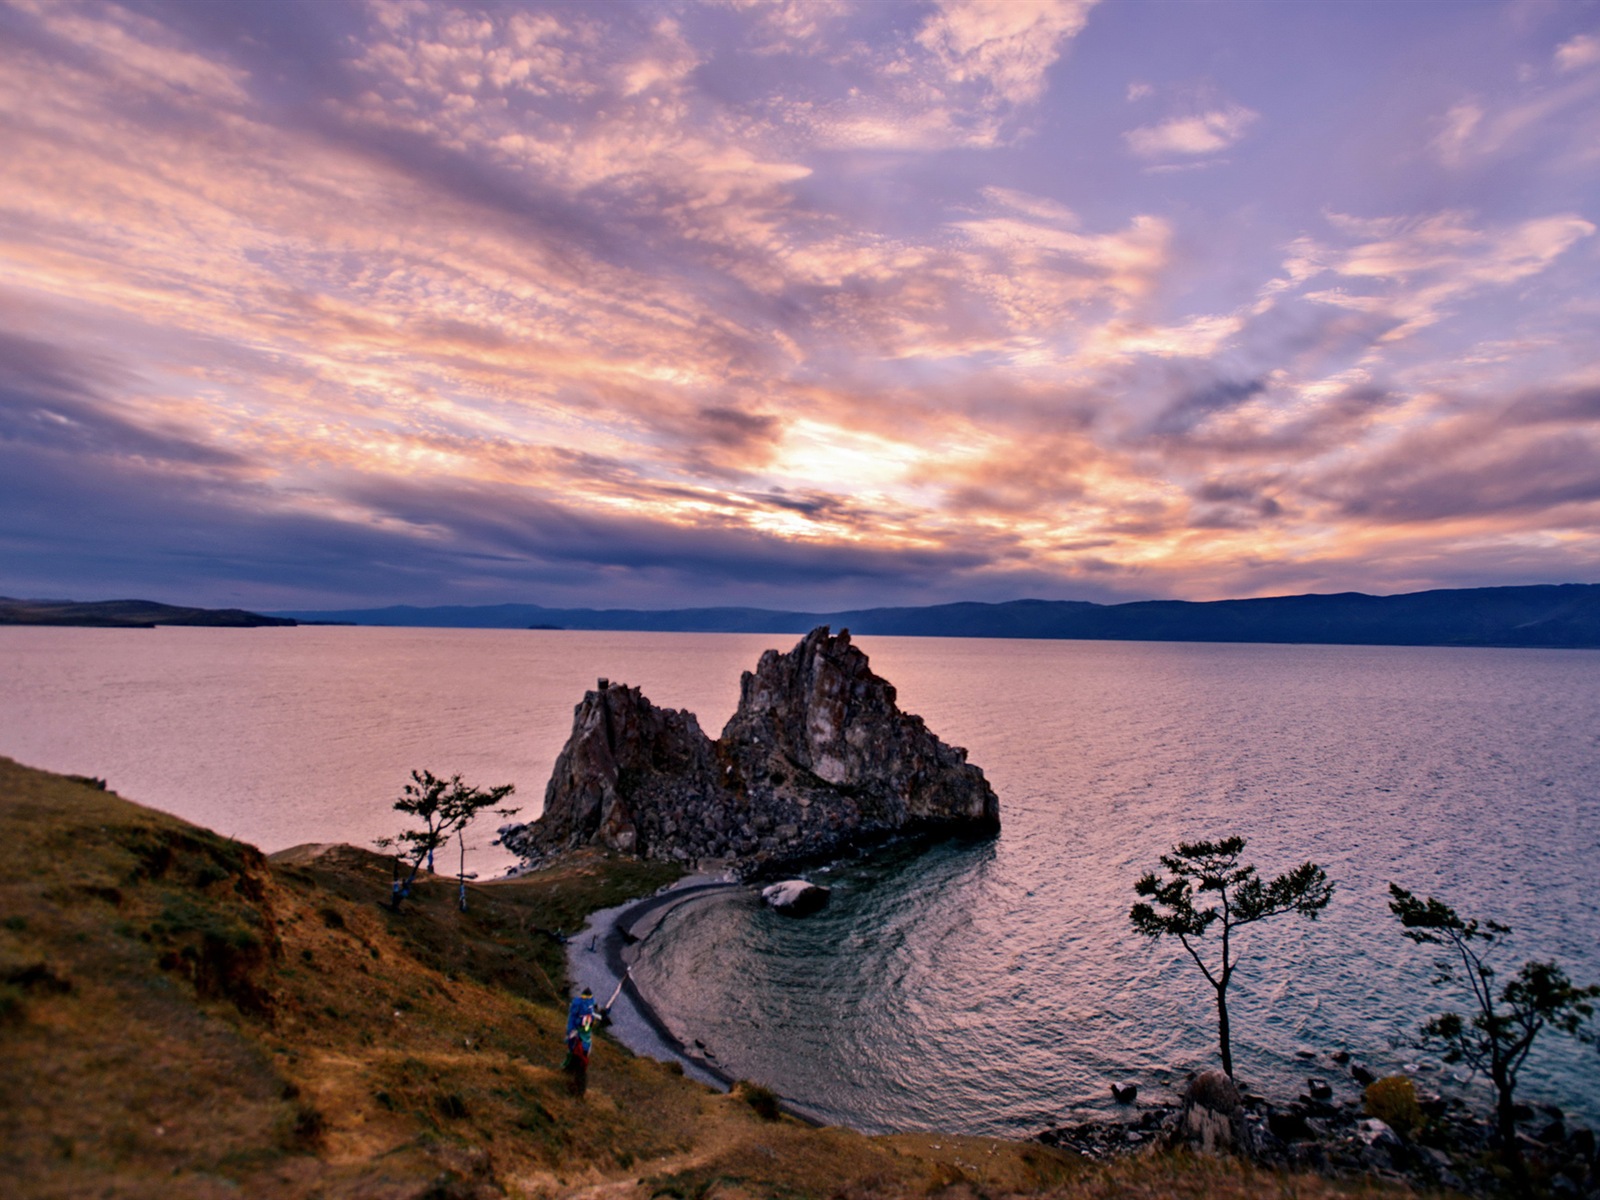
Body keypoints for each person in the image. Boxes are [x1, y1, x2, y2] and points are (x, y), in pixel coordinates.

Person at [563, 987, 598, 1096]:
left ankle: (572, 1080)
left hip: (579, 1038)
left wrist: (570, 1032)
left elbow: (572, 1020)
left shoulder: (578, 1004)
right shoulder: (589, 1006)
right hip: (582, 1040)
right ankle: (576, 1086)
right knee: (579, 1061)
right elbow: (587, 1024)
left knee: (574, 1056)